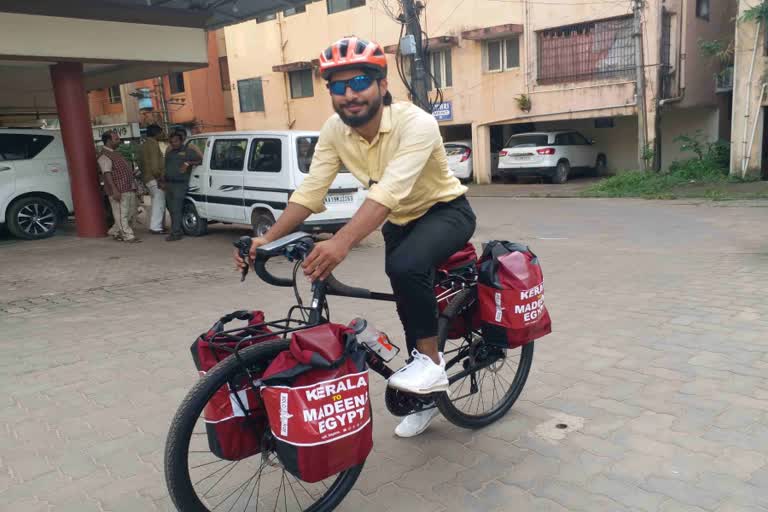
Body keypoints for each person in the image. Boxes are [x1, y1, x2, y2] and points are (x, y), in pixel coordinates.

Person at [233, 36, 476, 438]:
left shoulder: (417, 123)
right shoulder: (334, 131)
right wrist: (266, 238)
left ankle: (431, 370)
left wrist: (341, 242)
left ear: (381, 85)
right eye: (339, 87)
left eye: (360, 81)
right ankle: (426, 399)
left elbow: (387, 192)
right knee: (406, 298)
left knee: (406, 266)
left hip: (446, 211)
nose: (350, 95)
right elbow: (311, 192)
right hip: (400, 222)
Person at [98, 131, 141, 243]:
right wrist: (114, 190)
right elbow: (107, 174)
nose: (119, 141)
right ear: (108, 141)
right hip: (118, 190)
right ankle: (127, 235)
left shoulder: (115, 153)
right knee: (122, 214)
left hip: (127, 188)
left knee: (130, 212)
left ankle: (115, 231)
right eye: (116, 139)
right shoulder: (104, 156)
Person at [164, 131, 201, 241]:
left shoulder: (188, 151)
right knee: (170, 208)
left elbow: (200, 160)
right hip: (169, 183)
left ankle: (176, 233)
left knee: (176, 208)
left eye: (175, 141)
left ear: (181, 141)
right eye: (171, 142)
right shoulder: (170, 152)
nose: (173, 143)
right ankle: (177, 229)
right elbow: (166, 167)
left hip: (180, 184)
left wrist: (188, 163)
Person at [139, 124, 167, 234]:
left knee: (155, 201)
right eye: (161, 132)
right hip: (155, 178)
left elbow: (140, 164)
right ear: (156, 133)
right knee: (159, 202)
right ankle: (156, 227)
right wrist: (160, 179)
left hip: (146, 177)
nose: (163, 134)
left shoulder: (143, 145)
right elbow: (155, 166)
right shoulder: (154, 144)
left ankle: (157, 226)